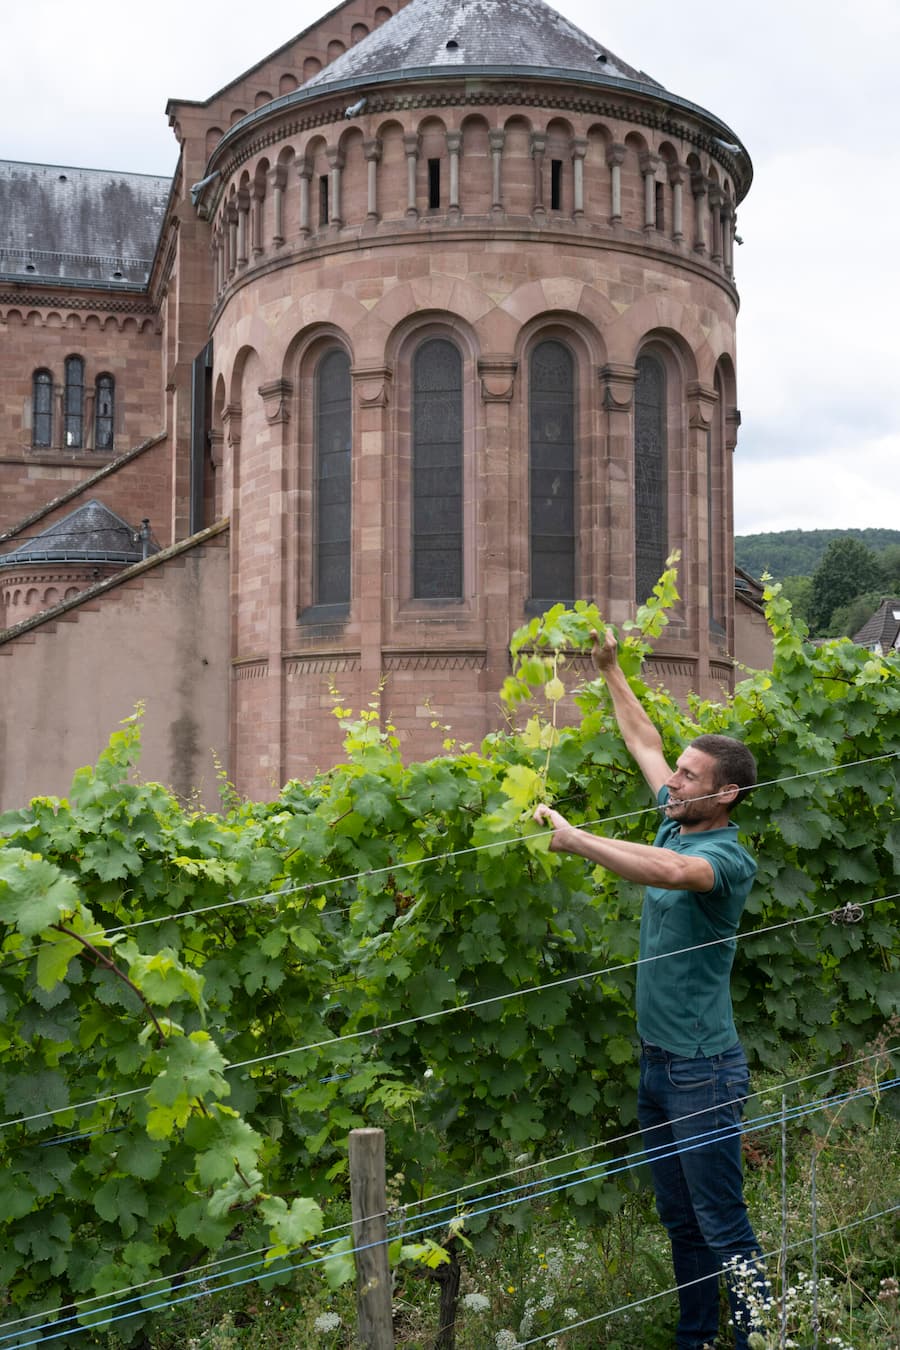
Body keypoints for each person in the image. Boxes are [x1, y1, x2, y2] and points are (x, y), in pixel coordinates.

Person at [534, 627, 765, 1350]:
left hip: (702, 1069)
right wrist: (610, 670)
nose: (675, 782)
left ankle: (761, 1337)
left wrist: (578, 839)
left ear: (725, 794)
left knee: (722, 1221)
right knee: (681, 1220)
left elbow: (667, 874)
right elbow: (643, 740)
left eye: (690, 777)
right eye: (679, 772)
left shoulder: (723, 859)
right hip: (658, 1062)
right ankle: (696, 1339)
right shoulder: (676, 820)